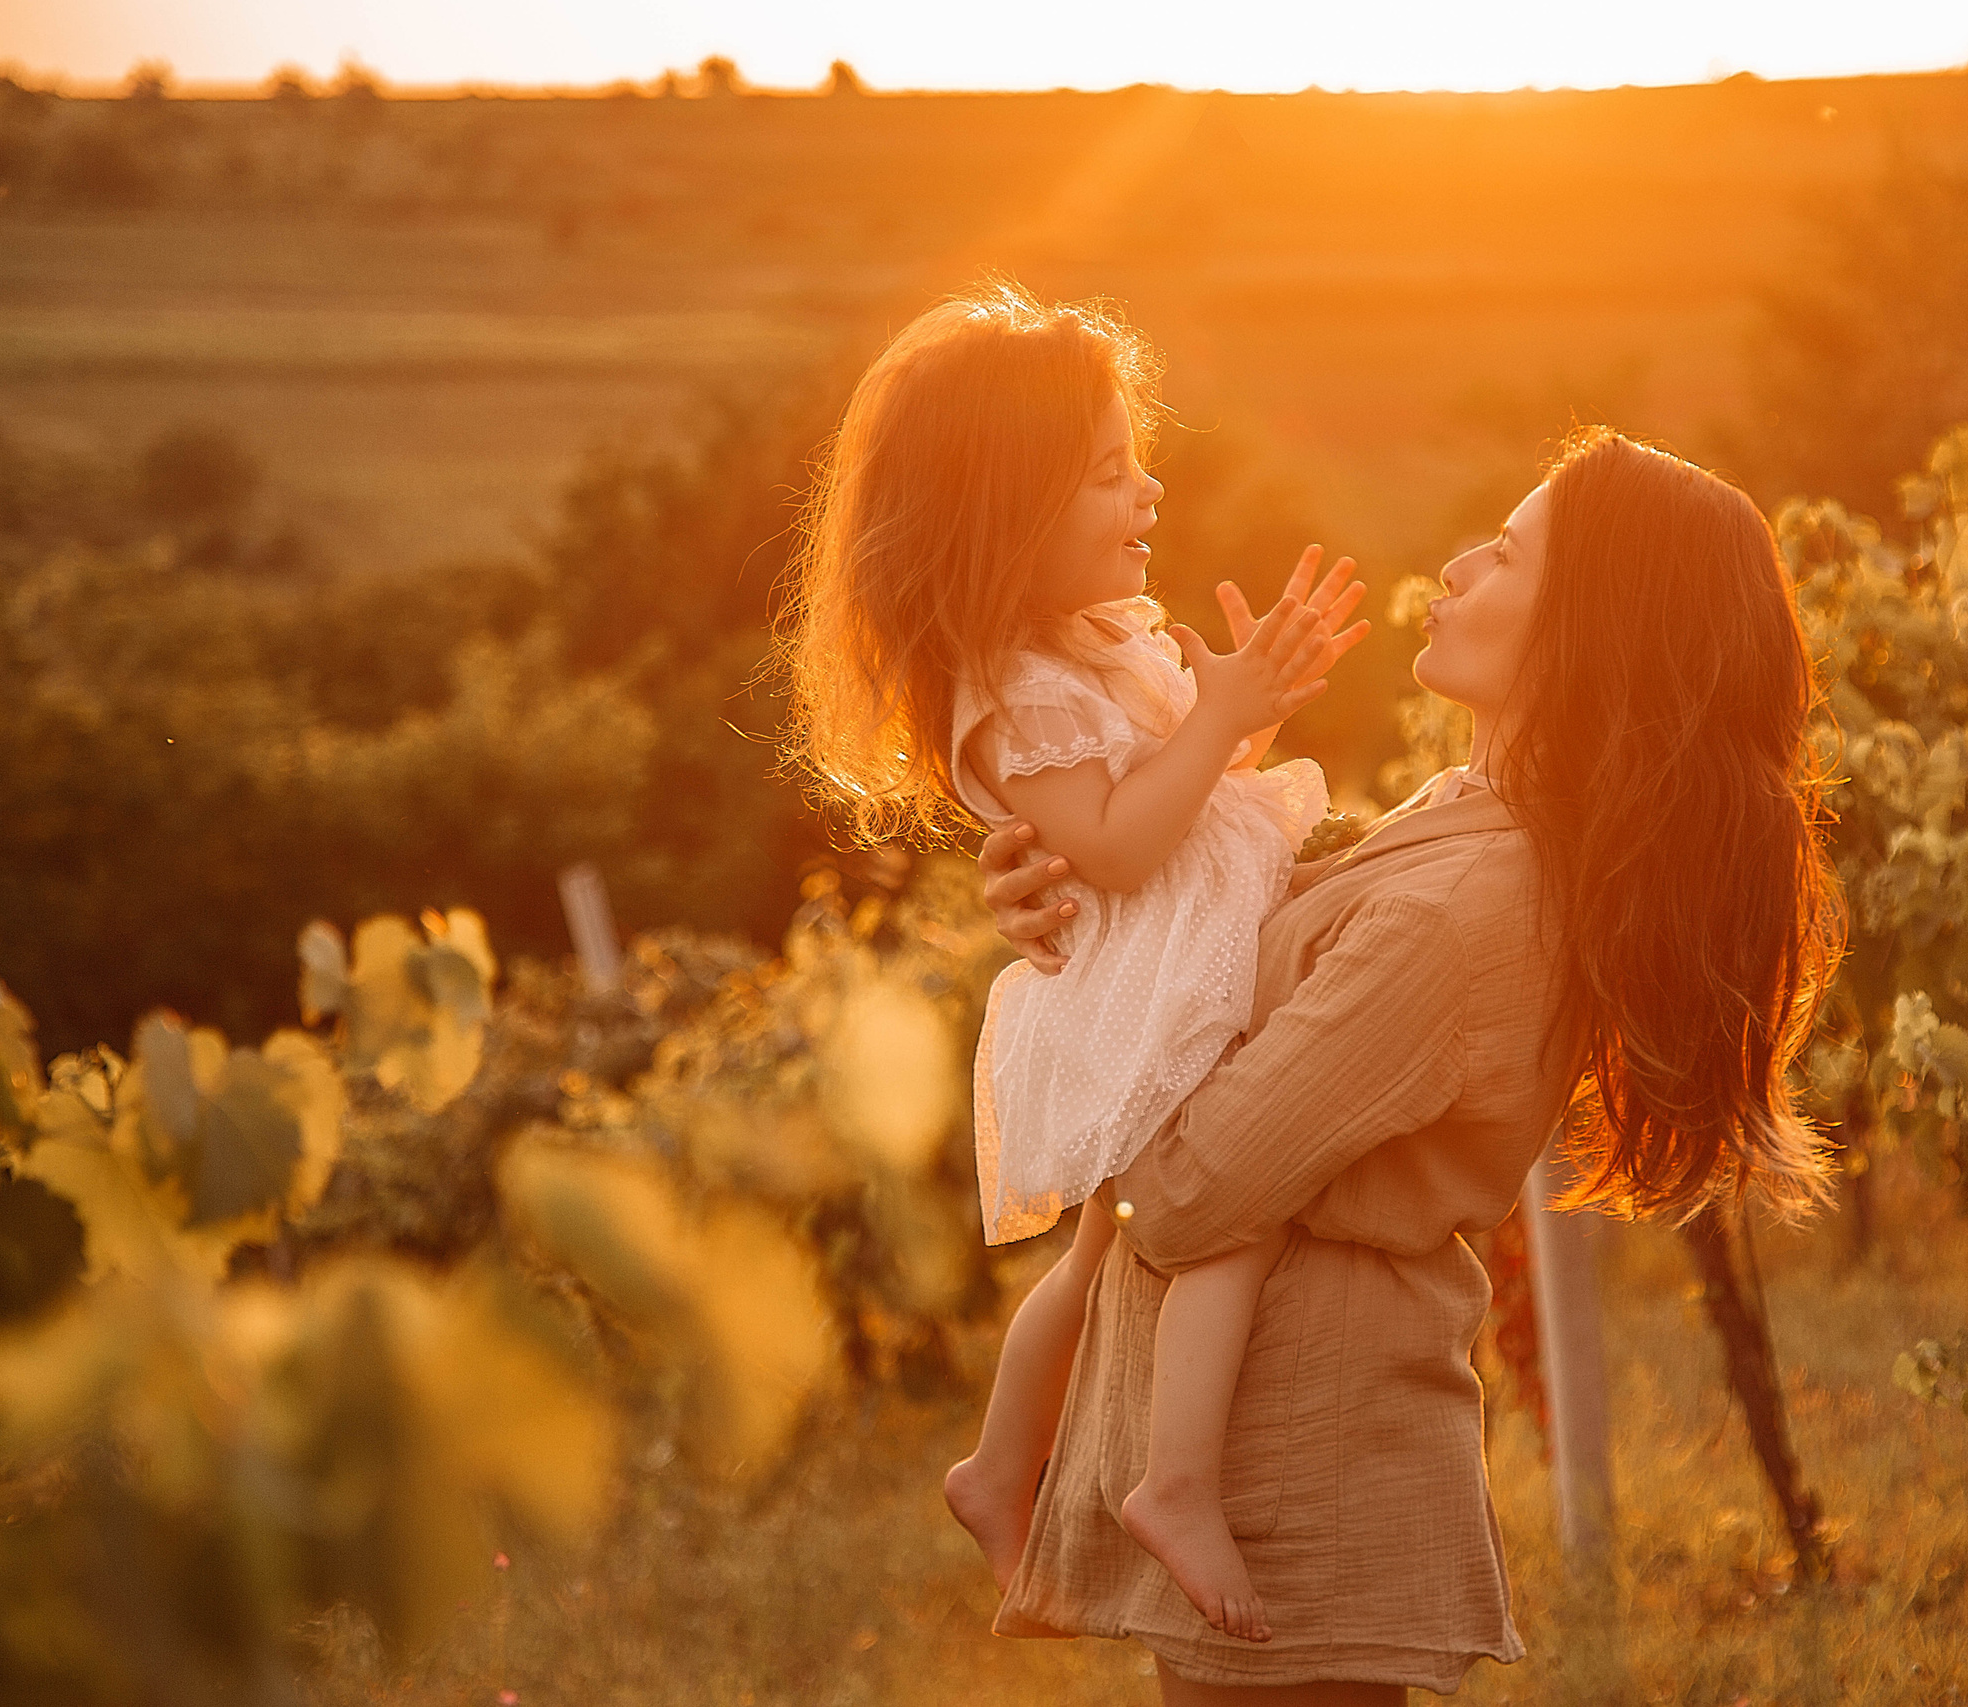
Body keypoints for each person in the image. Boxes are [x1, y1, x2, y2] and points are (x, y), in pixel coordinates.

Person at [973, 425, 1847, 1703]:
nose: (1456, 564)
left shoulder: (1467, 905)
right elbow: (1235, 941)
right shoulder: (1459, 818)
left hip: (1294, 1471)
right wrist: (1077, 900)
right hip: (1267, 1451)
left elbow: (1190, 1192)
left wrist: (1103, 1055)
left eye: (1507, 555)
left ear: (1586, 632)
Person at [779, 279, 1375, 1644]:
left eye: (1134, 461)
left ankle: (999, 1469)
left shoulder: (1094, 645)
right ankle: (1175, 1481)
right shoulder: (1017, 690)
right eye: (1108, 473)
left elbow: (1175, 787)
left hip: (1170, 961)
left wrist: (1246, 702)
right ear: (1009, 511)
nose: (1147, 489)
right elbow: (1115, 845)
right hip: (1147, 987)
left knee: (1107, 1250)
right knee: (1232, 1203)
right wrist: (1219, 716)